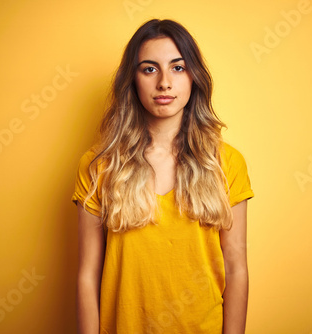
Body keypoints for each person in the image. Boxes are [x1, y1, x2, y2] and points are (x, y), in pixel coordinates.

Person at [72, 19, 254, 334]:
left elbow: (236, 268)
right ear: (132, 79)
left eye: (178, 68)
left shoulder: (226, 162)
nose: (165, 83)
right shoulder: (98, 166)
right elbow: (88, 273)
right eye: (150, 69)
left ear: (194, 77)